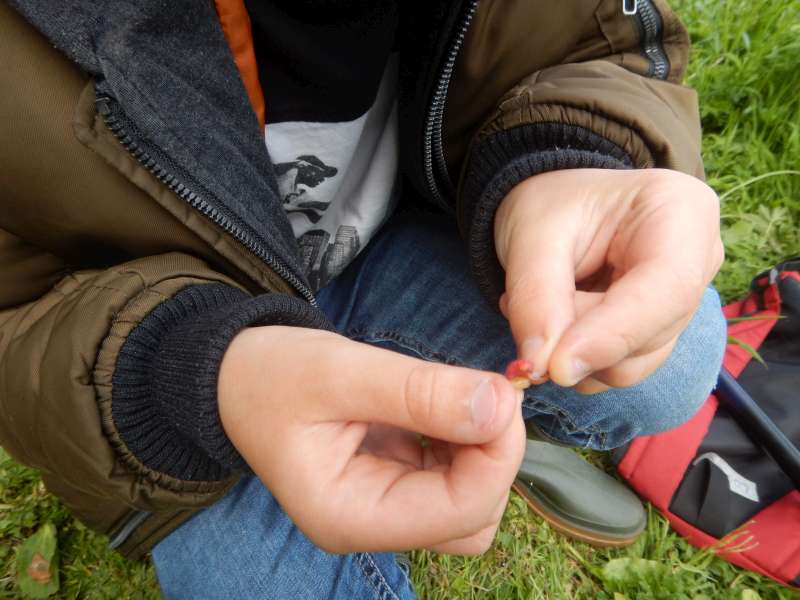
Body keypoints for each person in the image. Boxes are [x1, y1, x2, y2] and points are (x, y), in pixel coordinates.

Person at [0, 0, 727, 597]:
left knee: (676, 350)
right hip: (192, 353)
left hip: (396, 244)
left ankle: (488, 447)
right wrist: (194, 372)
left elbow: (581, 38)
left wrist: (563, 158)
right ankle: (439, 450)